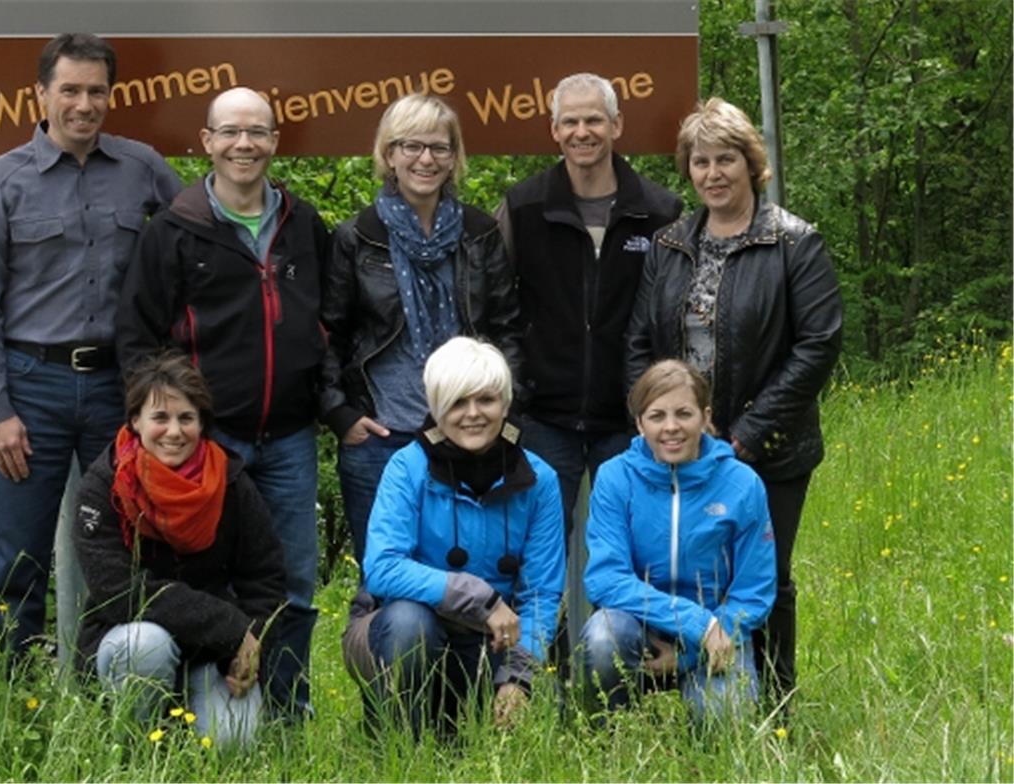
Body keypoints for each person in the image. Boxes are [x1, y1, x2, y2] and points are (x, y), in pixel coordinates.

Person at [0, 32, 182, 659]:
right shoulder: (0, 182)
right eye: (70, 90)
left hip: (122, 390)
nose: (84, 104)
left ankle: (116, 695)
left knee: (129, 548)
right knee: (16, 560)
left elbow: (196, 243)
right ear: (41, 94)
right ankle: (16, 710)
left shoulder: (142, 169)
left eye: (96, 91)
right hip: (31, 392)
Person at [116, 87, 330, 719]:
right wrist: (166, 427)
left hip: (289, 438)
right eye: (231, 132)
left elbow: (330, 325)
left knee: (292, 583)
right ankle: (200, 703)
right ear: (206, 141)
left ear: (274, 141)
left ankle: (289, 713)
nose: (245, 145)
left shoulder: (304, 226)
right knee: (204, 579)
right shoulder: (174, 232)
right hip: (210, 444)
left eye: (258, 132)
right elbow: (137, 340)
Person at [625, 97, 843, 706]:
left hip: (768, 449)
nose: (713, 173)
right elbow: (641, 341)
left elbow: (819, 345)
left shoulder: (794, 242)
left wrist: (743, 435)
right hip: (677, 445)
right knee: (677, 576)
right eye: (700, 161)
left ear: (752, 164)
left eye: (726, 159)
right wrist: (654, 425)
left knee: (764, 581)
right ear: (688, 170)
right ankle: (683, 692)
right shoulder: (669, 245)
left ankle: (774, 703)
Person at [320, 93, 522, 568]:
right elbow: (330, 333)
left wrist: (506, 411)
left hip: (469, 430)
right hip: (382, 432)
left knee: (470, 569)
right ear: (388, 154)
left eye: (439, 147)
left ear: (455, 158)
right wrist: (339, 414)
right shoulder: (358, 236)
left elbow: (506, 327)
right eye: (410, 146)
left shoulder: (479, 232)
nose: (425, 159)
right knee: (384, 574)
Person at [344, 337, 564, 737]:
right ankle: (396, 744)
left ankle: (465, 720)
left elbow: (541, 594)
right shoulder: (405, 467)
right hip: (399, 627)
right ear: (436, 407)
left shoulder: (541, 480)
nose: (473, 414)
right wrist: (481, 597)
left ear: (506, 404)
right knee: (411, 621)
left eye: (486, 400)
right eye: (458, 402)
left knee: (544, 707)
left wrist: (518, 677)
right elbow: (382, 568)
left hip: (492, 640)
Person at [496, 72, 682, 536]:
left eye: (594, 120)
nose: (583, 132)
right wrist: (515, 391)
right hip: (543, 416)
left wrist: (657, 399)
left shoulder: (662, 213)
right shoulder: (522, 207)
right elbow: (497, 309)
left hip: (631, 417)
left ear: (617, 125)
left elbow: (674, 317)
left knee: (632, 548)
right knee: (534, 551)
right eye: (571, 121)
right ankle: (543, 614)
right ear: (554, 130)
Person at [73, 352, 285, 747]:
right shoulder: (104, 485)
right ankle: (136, 749)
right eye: (160, 418)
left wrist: (252, 639)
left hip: (211, 653)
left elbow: (265, 577)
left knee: (232, 742)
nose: (174, 431)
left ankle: (192, 722)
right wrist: (229, 625)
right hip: (131, 640)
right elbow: (117, 589)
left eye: (186, 418)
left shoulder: (232, 483)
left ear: (202, 423)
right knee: (146, 645)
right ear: (135, 421)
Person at [581, 360, 776, 721]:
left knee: (723, 720)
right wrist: (695, 623)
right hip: (640, 625)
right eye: (656, 416)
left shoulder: (743, 484)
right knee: (603, 636)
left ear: (705, 416)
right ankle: (611, 736)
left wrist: (698, 647)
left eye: (683, 414)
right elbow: (605, 579)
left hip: (721, 629)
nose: (671, 428)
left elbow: (755, 588)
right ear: (639, 424)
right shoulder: (613, 478)